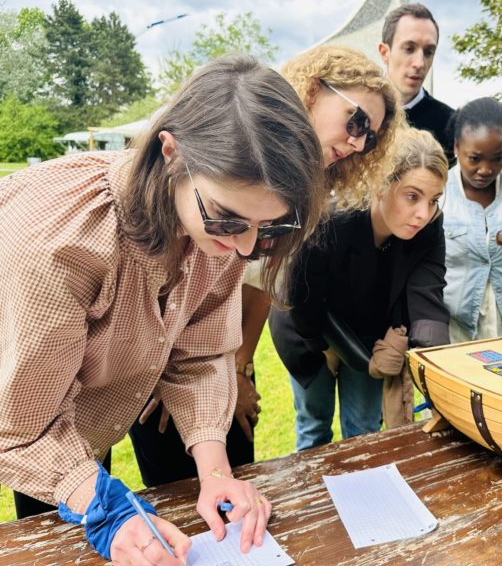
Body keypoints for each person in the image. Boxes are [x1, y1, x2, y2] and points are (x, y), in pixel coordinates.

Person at [0, 55, 325, 562]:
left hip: (85, 411)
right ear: (170, 151)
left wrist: (216, 471)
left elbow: (200, 354)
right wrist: (105, 508)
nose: (244, 249)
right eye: (226, 220)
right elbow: (21, 424)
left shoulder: (226, 225)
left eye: (270, 230)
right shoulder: (57, 242)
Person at [130, 45, 403, 486]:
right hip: (158, 356)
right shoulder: (236, 134)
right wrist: (172, 370)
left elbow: (257, 280)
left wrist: (237, 368)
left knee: (230, 488)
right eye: (355, 121)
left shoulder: (313, 186)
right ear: (314, 89)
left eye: (369, 136)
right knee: (173, 492)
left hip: (218, 352)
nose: (356, 141)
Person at [269, 127, 451, 451]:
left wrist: (439, 375)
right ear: (380, 183)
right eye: (412, 196)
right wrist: (323, 347)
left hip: (370, 335)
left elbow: (428, 301)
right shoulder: (332, 219)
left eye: (434, 200)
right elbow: (301, 293)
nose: (423, 214)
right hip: (307, 328)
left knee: (365, 432)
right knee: (315, 426)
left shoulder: (430, 227)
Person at [442, 97, 502, 342]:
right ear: (456, 147)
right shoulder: (437, 193)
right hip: (454, 333)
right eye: (474, 158)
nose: (485, 169)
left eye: (497, 158)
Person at [378, 2, 456, 165]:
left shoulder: (450, 125)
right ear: (385, 52)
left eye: (428, 52)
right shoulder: (356, 113)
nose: (420, 63)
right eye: (409, 48)